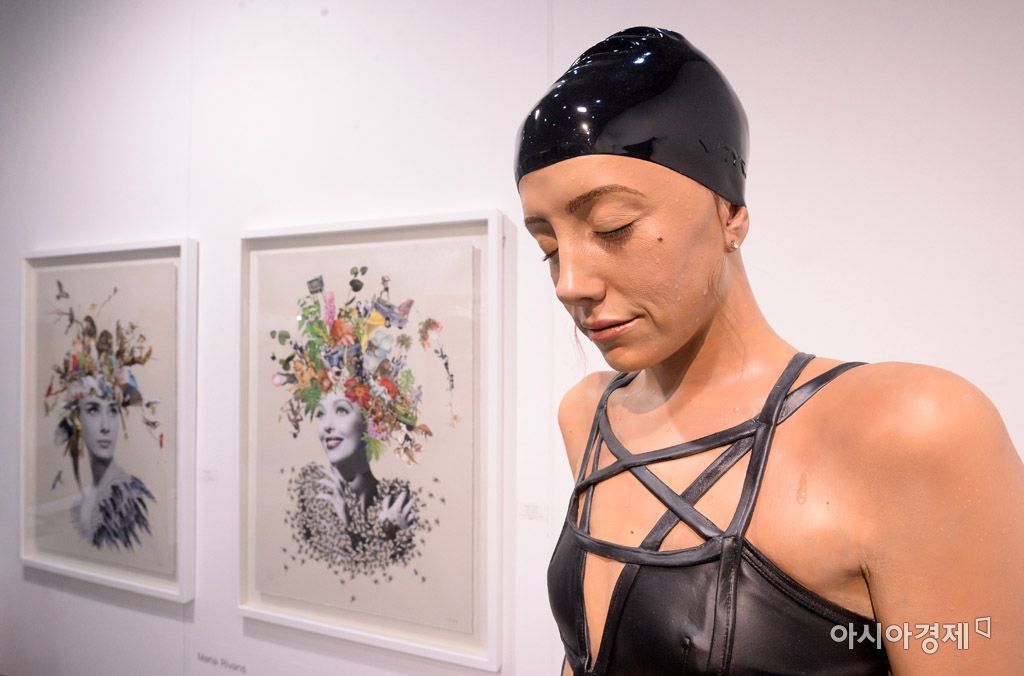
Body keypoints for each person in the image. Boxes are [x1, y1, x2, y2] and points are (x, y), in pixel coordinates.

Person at [514, 27, 1024, 675]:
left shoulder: (909, 432)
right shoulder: (588, 416)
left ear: (731, 214)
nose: (570, 284)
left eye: (613, 227)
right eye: (549, 248)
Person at [273, 272, 443, 579]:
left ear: (371, 418)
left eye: (340, 410)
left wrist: (391, 529)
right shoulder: (314, 498)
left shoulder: (399, 501)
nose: (327, 426)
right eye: (320, 414)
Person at [45, 299, 158, 551]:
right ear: (77, 418)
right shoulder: (78, 503)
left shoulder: (127, 501)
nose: (106, 426)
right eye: (93, 410)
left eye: (113, 411)